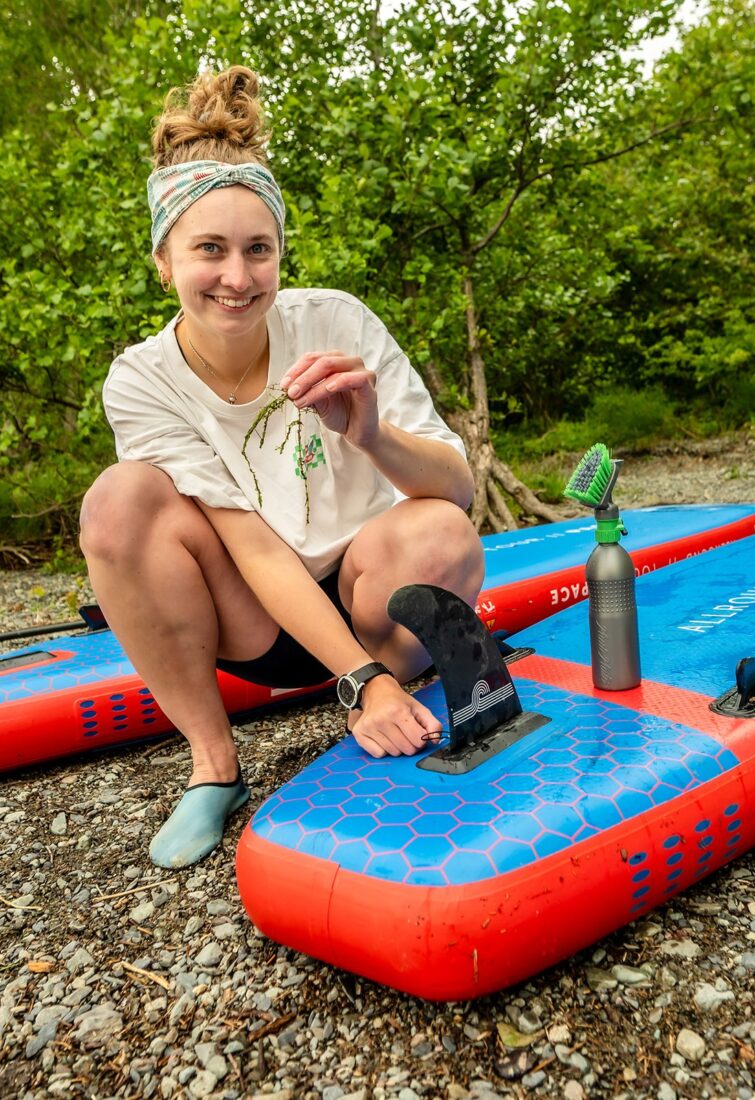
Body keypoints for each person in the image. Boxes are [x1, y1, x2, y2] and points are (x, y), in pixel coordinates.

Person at [78, 65, 484, 869]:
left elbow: (461, 493)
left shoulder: (335, 320)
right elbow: (254, 547)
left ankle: (412, 676)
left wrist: (371, 434)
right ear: (164, 261)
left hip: (377, 600)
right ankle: (213, 767)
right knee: (118, 502)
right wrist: (359, 684)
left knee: (440, 530)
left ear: (280, 254)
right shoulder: (142, 379)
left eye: (258, 250)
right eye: (209, 250)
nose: (237, 277)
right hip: (255, 621)